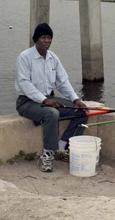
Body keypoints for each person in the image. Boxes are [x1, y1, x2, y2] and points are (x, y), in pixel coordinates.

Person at [15, 23, 88, 172]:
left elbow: (63, 82)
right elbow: (24, 83)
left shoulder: (53, 58)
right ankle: (47, 156)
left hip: (48, 98)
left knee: (80, 112)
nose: (47, 41)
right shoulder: (24, 57)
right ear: (36, 39)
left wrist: (76, 99)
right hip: (27, 102)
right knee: (51, 113)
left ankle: (61, 148)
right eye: (43, 37)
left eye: (49, 38)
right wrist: (44, 100)